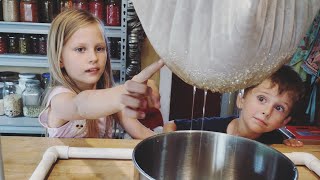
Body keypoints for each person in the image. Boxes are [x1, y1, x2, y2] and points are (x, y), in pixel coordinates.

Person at [39, 9, 164, 139]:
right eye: (80, 49)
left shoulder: (108, 97)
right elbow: (79, 106)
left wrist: (167, 145)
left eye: (99, 49)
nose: (93, 57)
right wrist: (126, 91)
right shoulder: (59, 100)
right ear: (60, 59)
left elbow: (142, 134)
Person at [163, 65, 305, 147]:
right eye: (262, 99)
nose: (267, 111)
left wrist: (289, 144)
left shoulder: (275, 140)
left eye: (279, 108)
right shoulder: (212, 128)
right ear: (241, 100)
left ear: (284, 122)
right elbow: (172, 124)